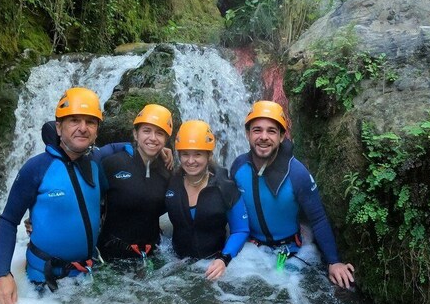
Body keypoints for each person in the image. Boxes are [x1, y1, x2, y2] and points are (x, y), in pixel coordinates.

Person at [0, 87, 104, 304]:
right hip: (44, 285)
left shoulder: (96, 164)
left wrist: (160, 153)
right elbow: (8, 221)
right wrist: (3, 274)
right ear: (59, 127)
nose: (83, 128)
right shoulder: (36, 168)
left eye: (90, 122)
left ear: (96, 130)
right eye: (74, 120)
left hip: (88, 275)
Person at [230, 100, 355, 289]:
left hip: (291, 252)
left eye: (271, 131)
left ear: (281, 137)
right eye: (257, 130)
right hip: (251, 250)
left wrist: (334, 261)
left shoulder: (297, 173)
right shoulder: (239, 167)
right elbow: (229, 207)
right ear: (247, 134)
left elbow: (318, 218)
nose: (263, 137)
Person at [165, 120, 249, 281]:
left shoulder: (225, 187)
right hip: (175, 265)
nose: (190, 161)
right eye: (185, 154)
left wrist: (224, 259)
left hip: (213, 265)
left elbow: (241, 230)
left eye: (198, 154)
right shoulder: (171, 183)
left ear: (209, 155)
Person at [98, 104, 173, 261]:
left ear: (166, 139)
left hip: (152, 255)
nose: (153, 138)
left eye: (159, 133)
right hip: (112, 256)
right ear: (135, 134)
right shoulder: (112, 164)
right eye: (146, 131)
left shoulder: (167, 172)